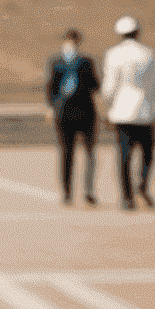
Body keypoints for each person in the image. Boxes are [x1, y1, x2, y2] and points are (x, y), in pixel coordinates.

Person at [102, 14, 155, 210]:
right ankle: (142, 185)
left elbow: (109, 87)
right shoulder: (148, 53)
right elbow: (154, 84)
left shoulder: (113, 54)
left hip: (122, 111)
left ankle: (127, 197)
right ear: (137, 32)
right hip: (144, 111)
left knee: (124, 155)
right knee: (148, 154)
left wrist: (108, 105)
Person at [44, 28, 100, 206]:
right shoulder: (56, 62)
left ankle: (88, 190)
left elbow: (95, 85)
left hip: (85, 112)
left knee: (89, 153)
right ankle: (67, 191)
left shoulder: (86, 62)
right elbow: (51, 87)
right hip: (64, 112)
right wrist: (51, 106)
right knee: (67, 153)